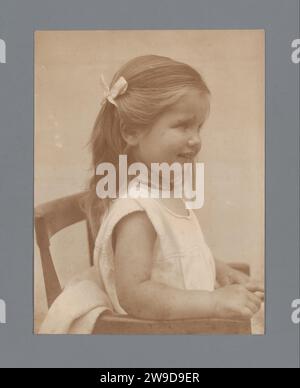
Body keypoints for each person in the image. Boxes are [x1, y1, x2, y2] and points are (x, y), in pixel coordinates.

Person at [86, 54, 264, 323]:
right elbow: (135, 295)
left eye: (199, 127)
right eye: (182, 126)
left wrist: (218, 269)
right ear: (131, 131)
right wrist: (214, 302)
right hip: (158, 335)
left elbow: (175, 251)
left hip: (185, 322)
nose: (196, 139)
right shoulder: (137, 208)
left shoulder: (163, 188)